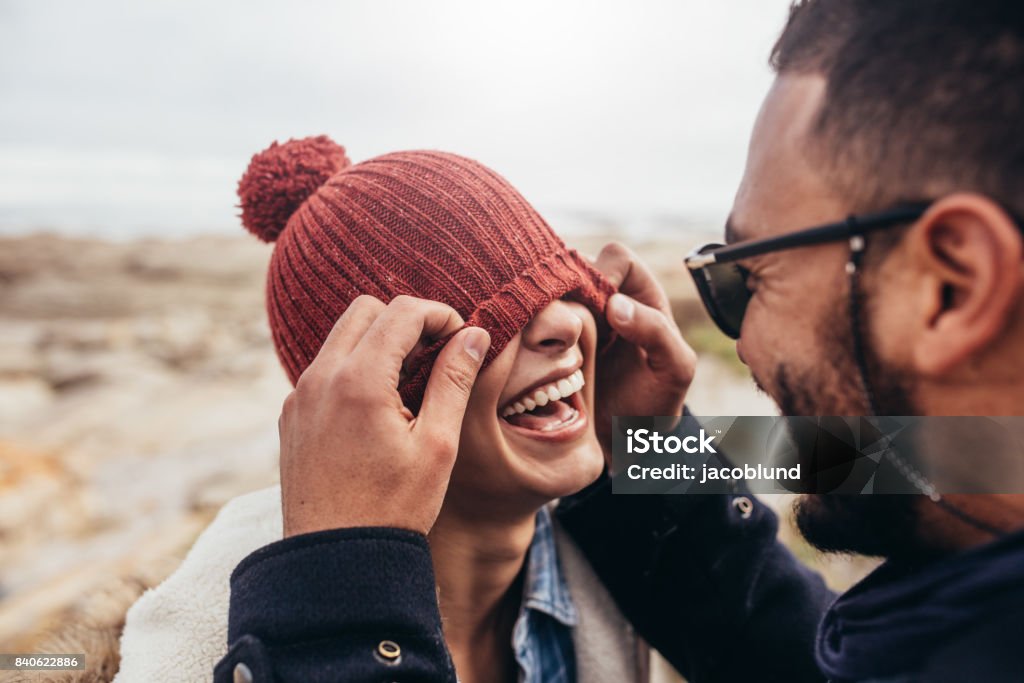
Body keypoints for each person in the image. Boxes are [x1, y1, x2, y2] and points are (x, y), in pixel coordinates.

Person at [216, 1, 1024, 682]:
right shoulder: (979, 497)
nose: (728, 333)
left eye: (749, 273)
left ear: (952, 288)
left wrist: (332, 606)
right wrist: (645, 457)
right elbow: (941, 461)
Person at [117, 140, 673, 682]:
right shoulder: (190, 648)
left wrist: (663, 441)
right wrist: (341, 595)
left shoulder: (631, 537)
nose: (566, 323)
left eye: (562, 288)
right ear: (377, 414)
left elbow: (758, 617)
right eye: (498, 316)